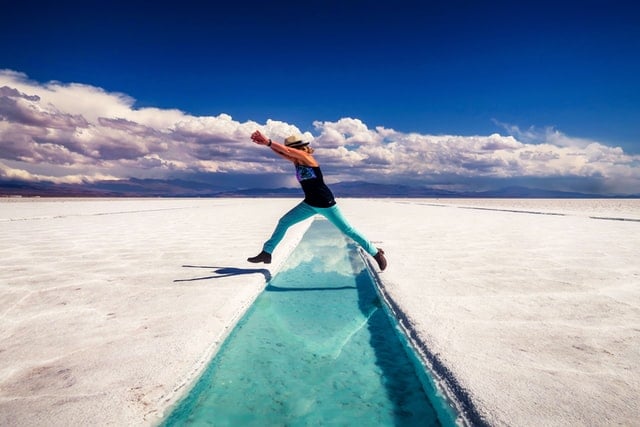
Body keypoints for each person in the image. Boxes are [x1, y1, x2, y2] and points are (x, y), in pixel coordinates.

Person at [247, 130, 387, 271]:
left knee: (348, 230)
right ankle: (266, 253)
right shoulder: (297, 161)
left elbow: (286, 150)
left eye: (290, 150)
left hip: (325, 203)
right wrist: (267, 145)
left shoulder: (306, 157)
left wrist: (268, 142)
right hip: (309, 203)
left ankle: (376, 253)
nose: (287, 153)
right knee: (284, 222)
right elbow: (283, 153)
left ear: (297, 148)